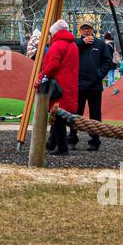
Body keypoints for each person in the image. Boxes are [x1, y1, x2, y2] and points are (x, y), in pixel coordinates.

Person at [36, 19, 84, 154]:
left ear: (55, 32)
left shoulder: (57, 45)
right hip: (70, 86)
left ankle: (62, 147)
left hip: (58, 87)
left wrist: (43, 76)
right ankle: (53, 143)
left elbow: (53, 65)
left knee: (57, 117)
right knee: (60, 117)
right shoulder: (73, 46)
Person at [75, 22, 113, 121]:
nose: (86, 30)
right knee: (76, 111)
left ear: (93, 30)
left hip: (94, 85)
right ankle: (73, 135)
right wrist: (82, 42)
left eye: (89, 28)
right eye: (84, 28)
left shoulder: (100, 43)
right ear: (80, 31)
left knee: (95, 113)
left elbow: (108, 60)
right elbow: (69, 52)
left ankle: (95, 136)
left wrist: (99, 74)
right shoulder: (76, 43)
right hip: (79, 84)